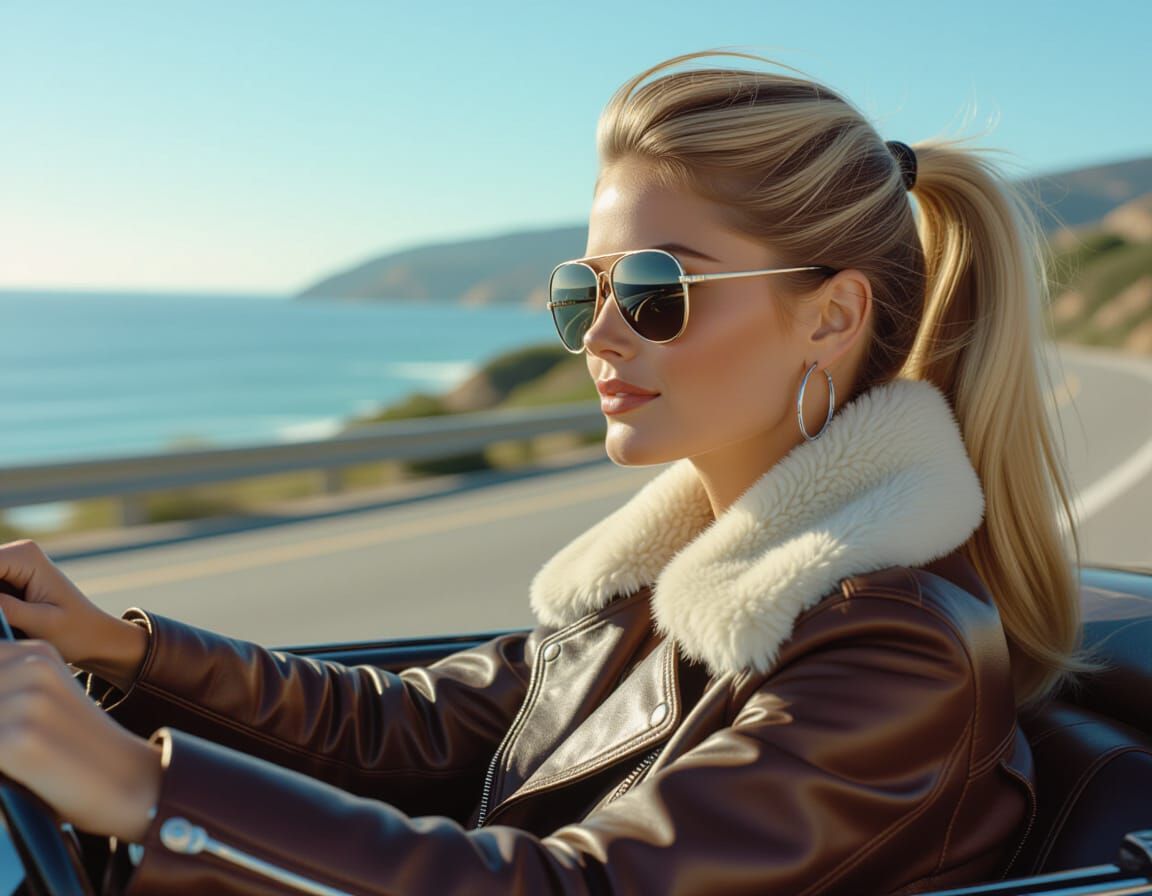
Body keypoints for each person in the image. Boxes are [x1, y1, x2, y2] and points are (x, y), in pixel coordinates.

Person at [0, 49, 1098, 895]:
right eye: (586, 291)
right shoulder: (668, 585)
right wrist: (117, 643)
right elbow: (408, 725)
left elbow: (580, 885)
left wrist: (151, 795)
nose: (600, 336)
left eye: (659, 289)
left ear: (832, 314)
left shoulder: (895, 649)